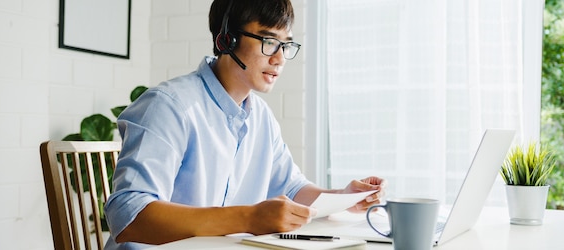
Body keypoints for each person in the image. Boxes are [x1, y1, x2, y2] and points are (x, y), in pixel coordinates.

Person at [103, 0, 385, 249]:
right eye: (269, 41)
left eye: (285, 45)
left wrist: (344, 197)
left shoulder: (261, 116)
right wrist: (249, 218)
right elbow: (129, 217)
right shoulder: (168, 106)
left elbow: (292, 188)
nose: (279, 59)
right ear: (227, 40)